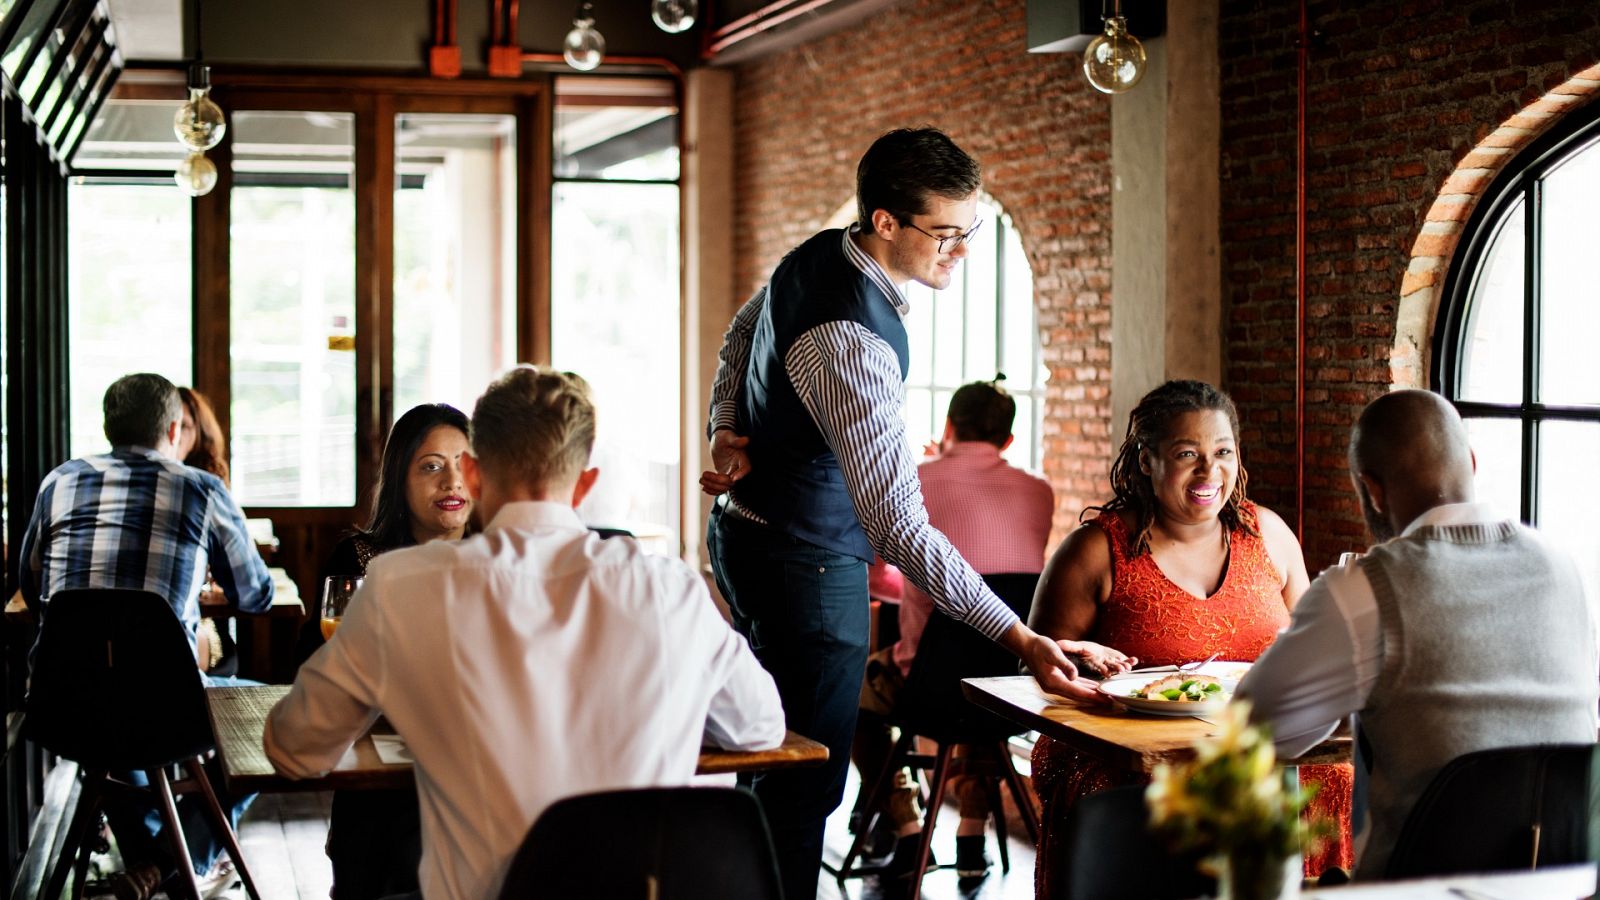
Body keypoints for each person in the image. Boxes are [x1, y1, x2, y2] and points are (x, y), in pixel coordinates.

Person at [700, 127, 1126, 900]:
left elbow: (740, 334)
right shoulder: (850, 342)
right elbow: (898, 526)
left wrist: (725, 431)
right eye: (946, 232)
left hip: (744, 534)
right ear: (886, 222)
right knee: (805, 789)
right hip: (806, 564)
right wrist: (1019, 634)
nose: (961, 250)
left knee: (770, 759)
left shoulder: (818, 255)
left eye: (972, 231)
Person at [265, 366, 785, 900]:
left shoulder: (399, 589)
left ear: (472, 475)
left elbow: (293, 749)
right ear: (585, 483)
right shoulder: (670, 590)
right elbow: (762, 726)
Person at [1237, 389, 1599, 879]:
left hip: (1419, 886)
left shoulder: (1364, 590)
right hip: (1565, 880)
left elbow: (1254, 726)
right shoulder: (1565, 567)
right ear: (1471, 462)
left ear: (1372, 490)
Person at [1026, 379, 1350, 897]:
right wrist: (1080, 663)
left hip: (1257, 743)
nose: (1209, 471)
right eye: (1186, 454)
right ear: (1146, 460)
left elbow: (1311, 651)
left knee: (1333, 776)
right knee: (1130, 792)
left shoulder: (1269, 536)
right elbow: (1037, 670)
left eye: (1222, 452)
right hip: (1124, 753)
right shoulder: (1095, 551)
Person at [19, 373, 274, 900]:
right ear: (175, 426)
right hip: (165, 709)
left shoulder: (58, 481)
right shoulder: (202, 489)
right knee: (277, 719)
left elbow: (30, 584)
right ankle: (171, 863)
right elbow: (254, 596)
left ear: (108, 425)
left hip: (61, 704)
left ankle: (151, 864)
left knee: (112, 739)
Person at [850, 377, 1054, 881]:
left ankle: (907, 826)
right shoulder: (1040, 492)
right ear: (1008, 441)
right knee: (982, 680)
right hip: (1012, 688)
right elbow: (1007, 581)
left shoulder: (914, 481)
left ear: (948, 426)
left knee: (850, 698)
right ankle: (970, 832)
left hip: (929, 689)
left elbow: (879, 577)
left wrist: (926, 590)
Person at [292, 403, 473, 900]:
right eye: (432, 466)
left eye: (465, 463)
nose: (453, 481)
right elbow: (310, 667)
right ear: (401, 478)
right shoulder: (359, 559)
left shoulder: (502, 555)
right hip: (381, 778)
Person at [176, 386, 240, 677]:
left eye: (185, 427)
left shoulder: (206, 487)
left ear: (200, 433)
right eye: (170, 427)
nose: (174, 436)